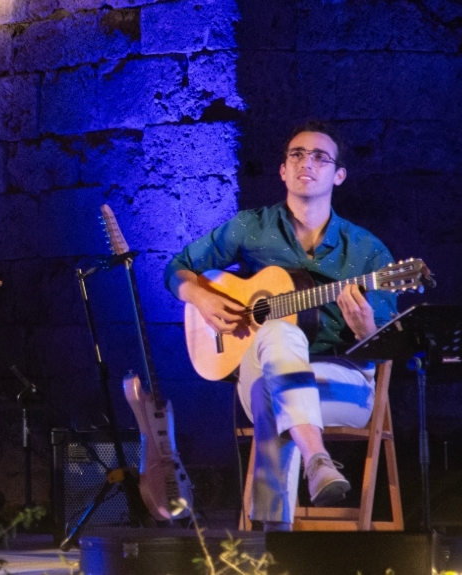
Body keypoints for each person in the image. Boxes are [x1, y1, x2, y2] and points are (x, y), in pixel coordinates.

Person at [164, 120, 397, 531]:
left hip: (342, 380)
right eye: (297, 155)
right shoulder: (250, 227)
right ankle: (317, 460)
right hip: (260, 366)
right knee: (277, 335)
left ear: (338, 175)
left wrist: (366, 330)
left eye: (320, 157)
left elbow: (387, 347)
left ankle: (273, 537)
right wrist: (201, 297)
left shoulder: (367, 251)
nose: (307, 163)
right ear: (283, 170)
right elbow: (177, 268)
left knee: (272, 392)